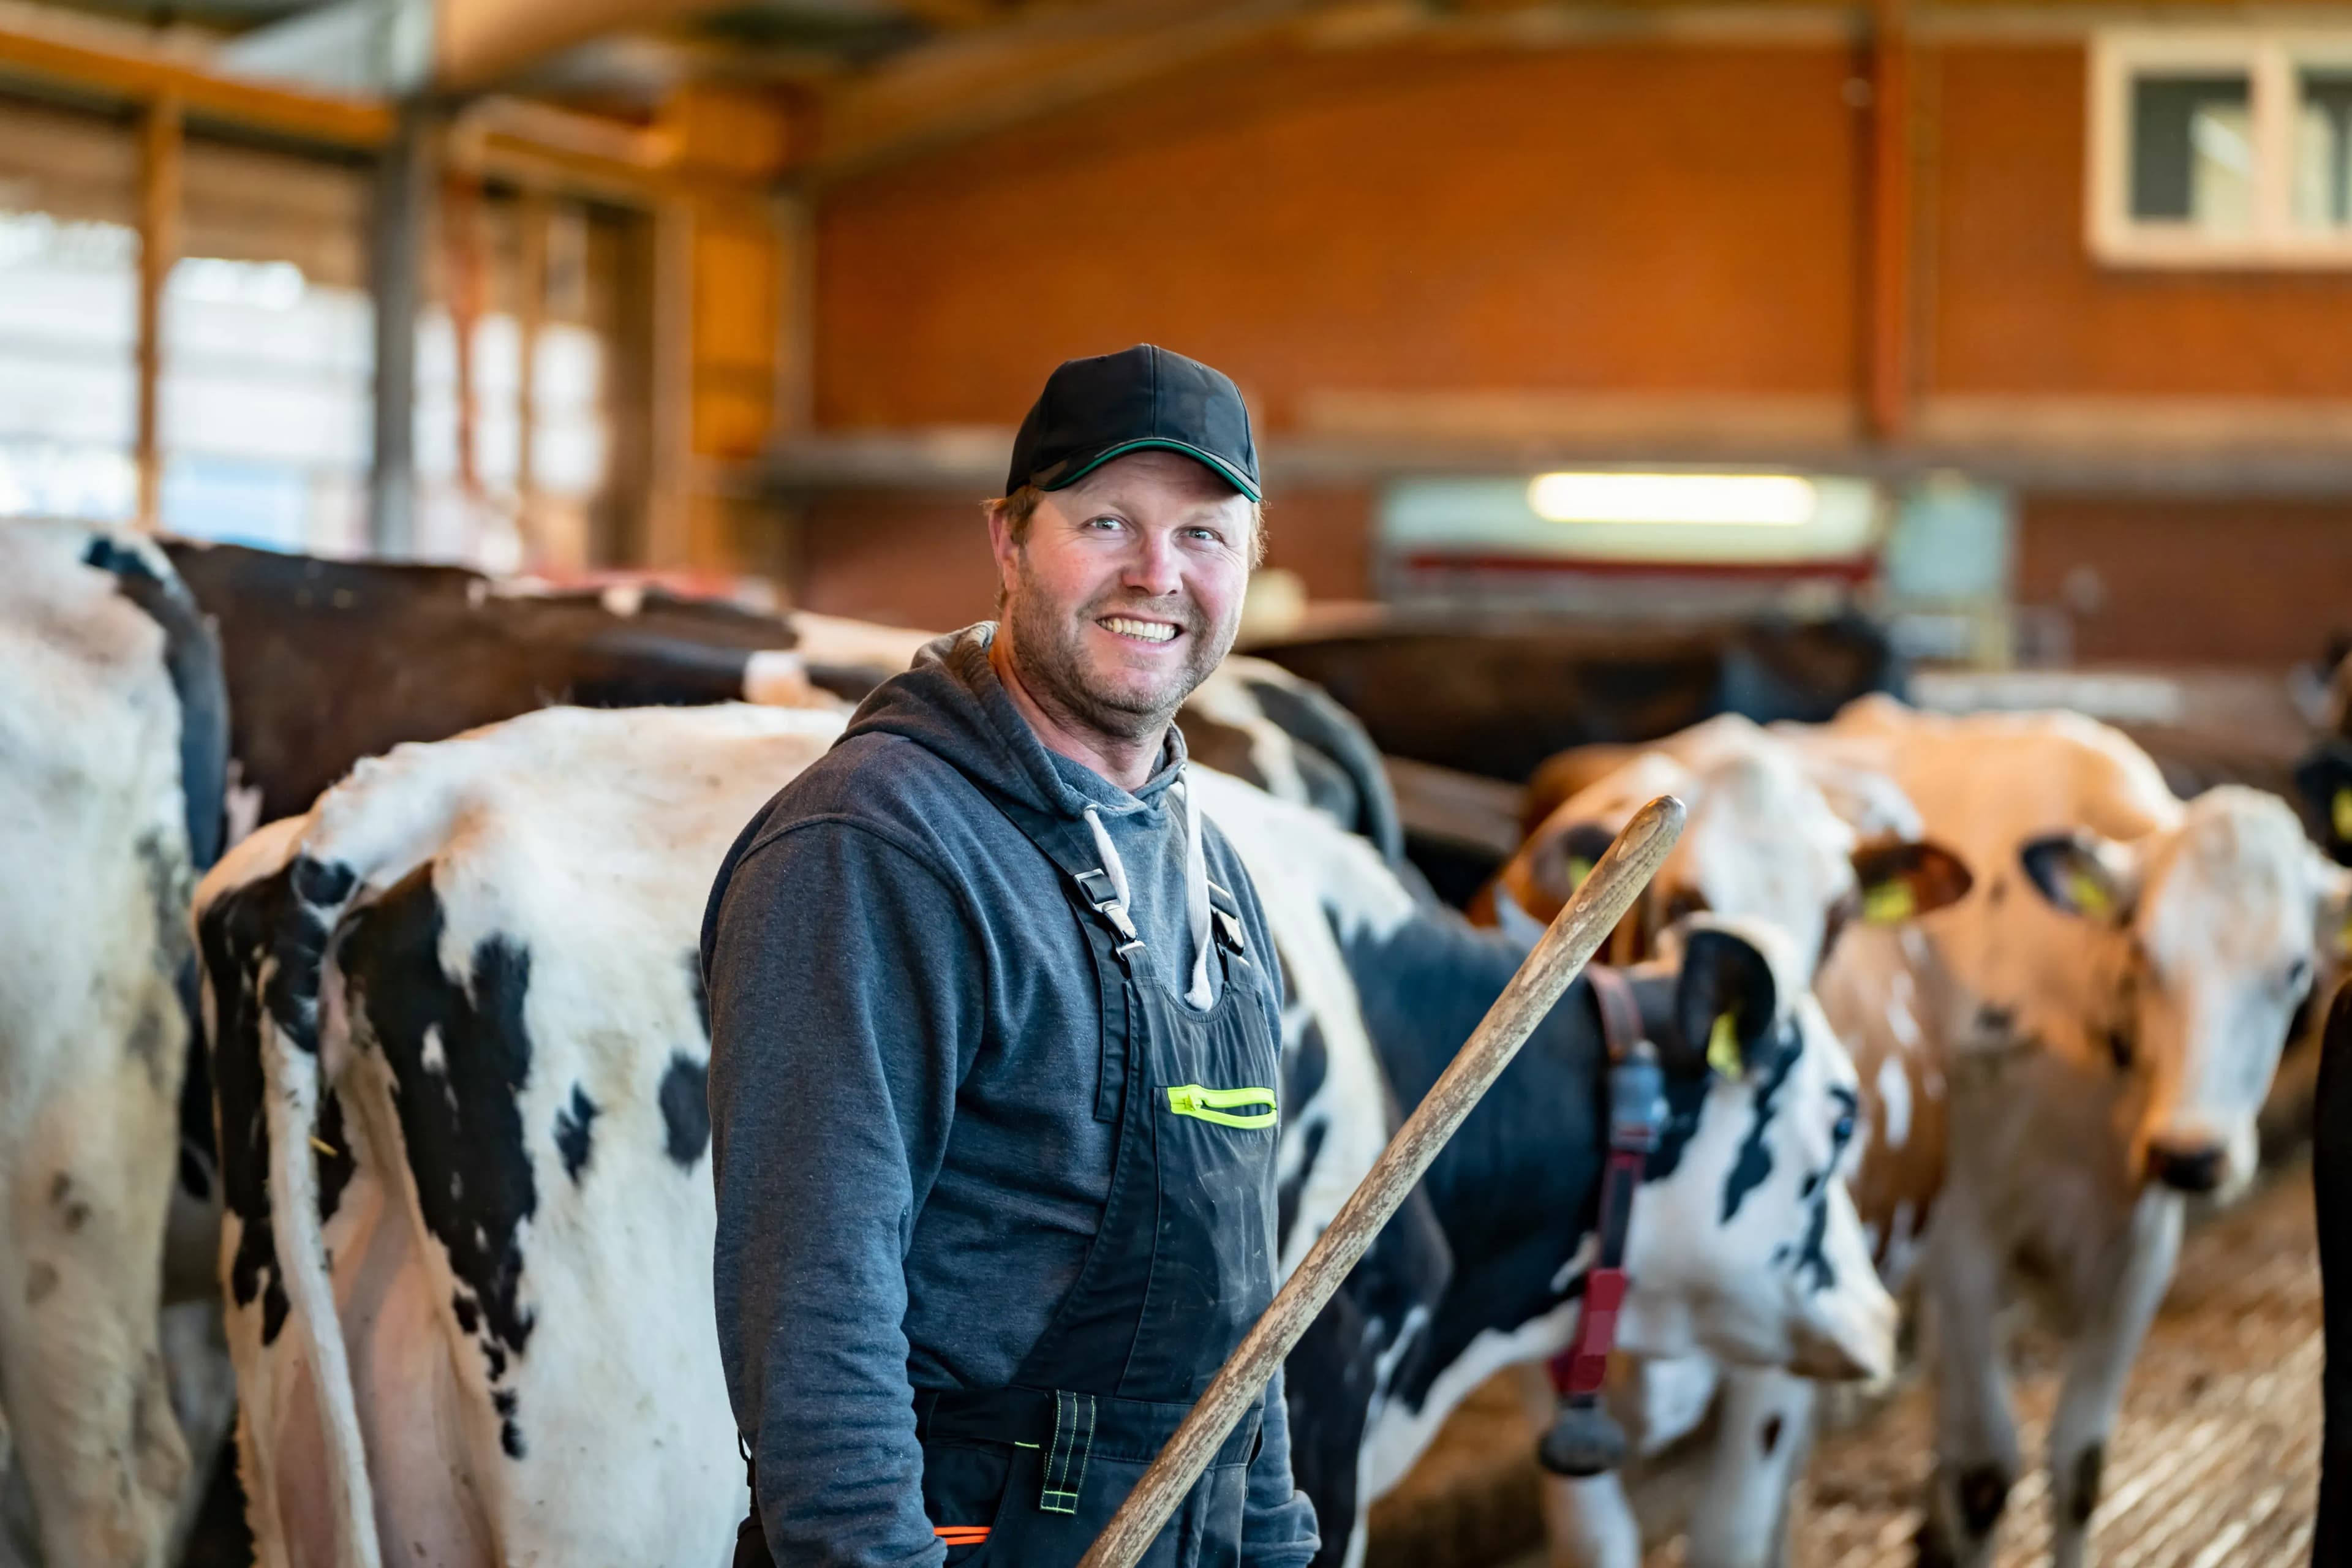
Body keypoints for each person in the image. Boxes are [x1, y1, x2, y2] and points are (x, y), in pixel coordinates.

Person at [703, 345, 1321, 1567]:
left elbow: (1238, 1306)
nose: (1158, 572)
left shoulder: (1212, 871)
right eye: (1106, 520)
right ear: (1007, 540)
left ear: (1249, 562)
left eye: (1205, 534)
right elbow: (814, 1305)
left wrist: (1278, 1539)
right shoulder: (875, 849)